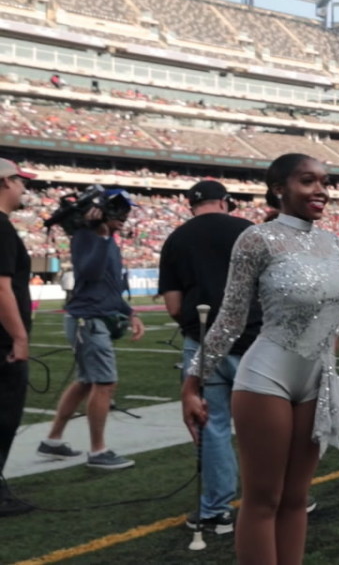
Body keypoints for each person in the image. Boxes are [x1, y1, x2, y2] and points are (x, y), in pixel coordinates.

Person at [181, 153, 339, 565]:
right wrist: (191, 383)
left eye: (324, 181)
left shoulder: (336, 244)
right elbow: (230, 320)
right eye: (308, 181)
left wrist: (329, 363)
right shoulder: (257, 239)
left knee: (296, 499)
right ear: (279, 188)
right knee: (263, 500)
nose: (321, 191)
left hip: (317, 380)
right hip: (266, 376)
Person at [158, 180, 261, 535]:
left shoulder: (176, 239)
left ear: (191, 206)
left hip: (202, 345)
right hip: (256, 341)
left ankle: (216, 508)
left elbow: (173, 305)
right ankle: (285, 495)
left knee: (212, 427)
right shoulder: (249, 230)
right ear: (226, 202)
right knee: (267, 426)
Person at [39, 188, 145, 470]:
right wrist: (99, 234)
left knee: (86, 381)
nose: (125, 216)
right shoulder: (87, 237)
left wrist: (130, 312)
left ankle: (52, 440)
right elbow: (90, 274)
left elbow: (108, 287)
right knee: (105, 382)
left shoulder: (106, 239)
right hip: (87, 320)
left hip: (93, 317)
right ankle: (98, 451)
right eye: (119, 210)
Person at [0, 159, 35, 517]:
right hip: (3, 344)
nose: (23, 189)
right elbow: (1, 288)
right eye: (20, 182)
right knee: (3, 416)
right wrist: (19, 338)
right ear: (5, 182)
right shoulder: (1, 228)